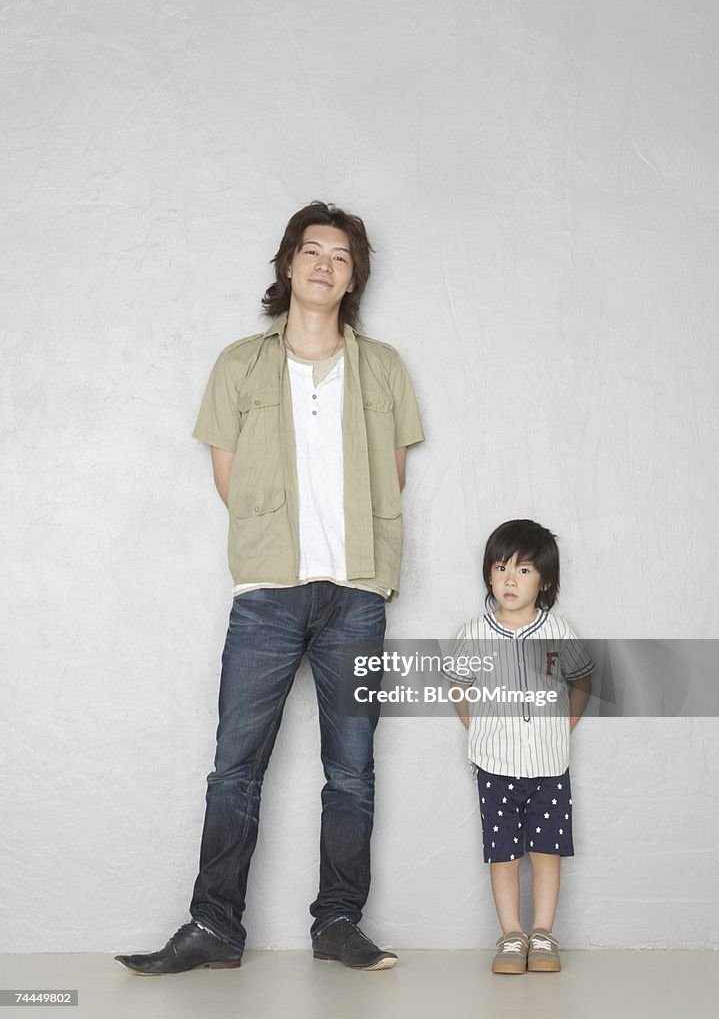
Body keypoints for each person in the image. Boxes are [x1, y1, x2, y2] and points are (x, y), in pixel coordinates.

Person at [115, 202, 424, 975]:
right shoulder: (239, 365)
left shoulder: (381, 367)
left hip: (356, 594)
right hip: (267, 593)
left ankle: (339, 923)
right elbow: (228, 477)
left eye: (341, 256)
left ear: (354, 278)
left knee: (350, 770)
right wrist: (279, 544)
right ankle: (213, 929)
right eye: (311, 251)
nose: (324, 265)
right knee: (234, 768)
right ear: (287, 266)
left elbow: (391, 476)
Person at [443, 519, 592, 974]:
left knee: (546, 852)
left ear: (544, 580)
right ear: (489, 573)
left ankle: (543, 934)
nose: (510, 579)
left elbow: (581, 680)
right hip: (495, 765)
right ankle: (511, 935)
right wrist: (479, 730)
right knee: (503, 854)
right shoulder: (475, 632)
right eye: (502, 567)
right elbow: (459, 687)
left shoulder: (559, 631)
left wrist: (562, 727)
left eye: (525, 570)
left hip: (549, 765)